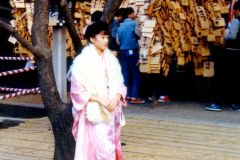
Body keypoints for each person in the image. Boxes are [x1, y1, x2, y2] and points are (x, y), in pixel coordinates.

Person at [69, 21, 127, 160]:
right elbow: (77, 91)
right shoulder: (82, 62)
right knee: (98, 149)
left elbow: (120, 83)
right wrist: (100, 100)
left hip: (111, 108)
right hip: (94, 110)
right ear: (92, 39)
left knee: (110, 147)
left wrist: (117, 97)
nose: (106, 40)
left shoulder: (111, 60)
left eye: (107, 37)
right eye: (102, 37)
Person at [206, 1, 240, 111]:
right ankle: (235, 104)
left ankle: (217, 103)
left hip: (230, 53)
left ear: (237, 10)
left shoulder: (236, 20)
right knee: (235, 78)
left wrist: (225, 34)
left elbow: (232, 36)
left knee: (220, 77)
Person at [117, 7, 145, 104]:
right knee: (135, 74)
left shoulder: (120, 26)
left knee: (125, 74)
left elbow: (118, 40)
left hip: (122, 51)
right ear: (130, 14)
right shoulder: (134, 24)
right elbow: (139, 34)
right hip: (132, 51)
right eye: (134, 13)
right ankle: (134, 96)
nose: (135, 15)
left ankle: (127, 96)